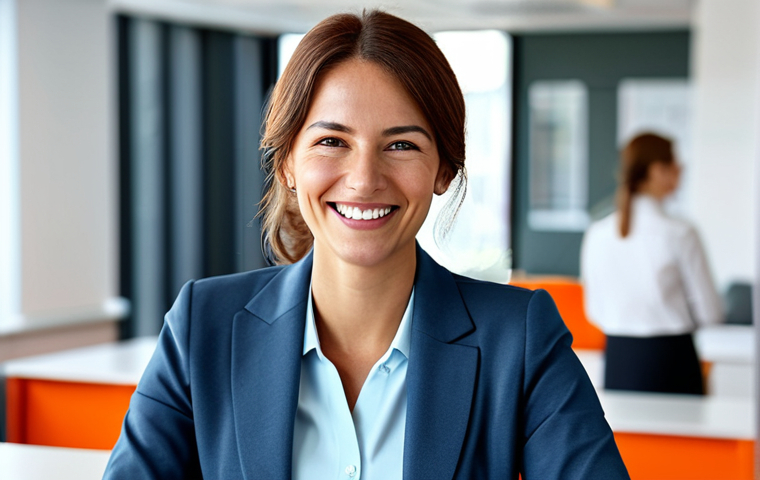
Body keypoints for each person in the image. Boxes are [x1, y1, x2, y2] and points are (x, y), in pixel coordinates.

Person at [104, 10, 629, 479]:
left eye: (401, 145)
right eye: (332, 141)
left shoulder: (518, 338)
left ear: (443, 169)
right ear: (287, 162)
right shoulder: (203, 326)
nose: (363, 179)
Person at [581, 133, 723, 395]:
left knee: (627, 436)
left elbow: (594, 310)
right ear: (658, 170)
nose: (680, 172)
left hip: (618, 361)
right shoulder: (680, 232)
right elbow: (710, 312)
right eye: (676, 165)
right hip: (672, 359)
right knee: (682, 436)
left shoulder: (597, 232)